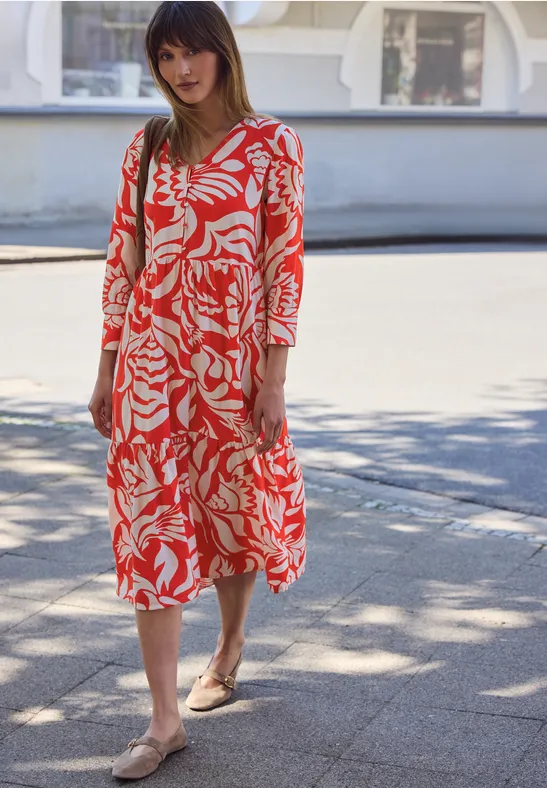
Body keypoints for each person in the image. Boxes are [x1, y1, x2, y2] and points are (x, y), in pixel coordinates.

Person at [88, 0, 306, 780]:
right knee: (152, 526)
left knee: (231, 506)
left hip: (233, 367)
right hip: (151, 365)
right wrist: (109, 366)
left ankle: (228, 646)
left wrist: (273, 378)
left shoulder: (272, 145)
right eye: (165, 58)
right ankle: (162, 720)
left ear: (222, 53)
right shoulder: (146, 146)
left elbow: (284, 264)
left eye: (193, 54)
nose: (180, 71)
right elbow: (125, 258)